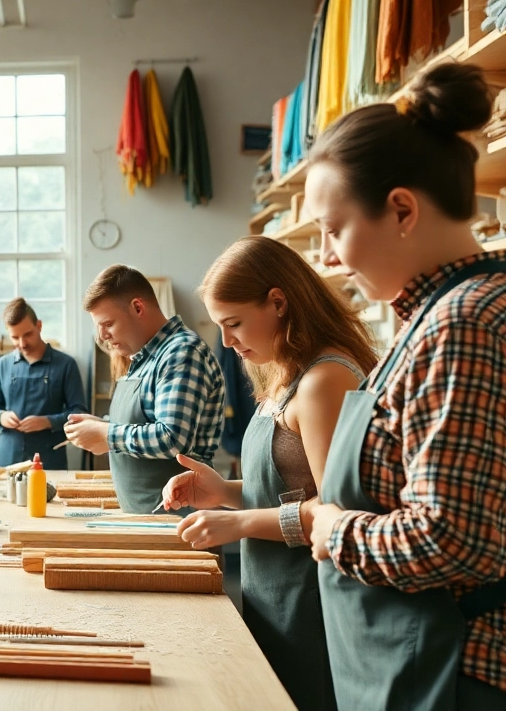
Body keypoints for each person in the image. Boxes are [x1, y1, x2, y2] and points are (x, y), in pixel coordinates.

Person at [303, 63, 506, 709]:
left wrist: (334, 529)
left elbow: (454, 541)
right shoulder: (438, 316)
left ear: (401, 210)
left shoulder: (462, 325)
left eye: (333, 230)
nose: (326, 258)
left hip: (452, 675)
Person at [160, 236, 377, 710]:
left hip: (312, 600)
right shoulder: (284, 372)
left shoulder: (324, 379)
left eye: (234, 323)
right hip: (272, 594)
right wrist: (223, 491)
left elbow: (336, 512)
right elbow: (291, 488)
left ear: (278, 302)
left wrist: (238, 523)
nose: (226, 342)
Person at [65, 265, 225, 514]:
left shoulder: (181, 352)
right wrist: (100, 426)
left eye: (108, 324)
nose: (103, 336)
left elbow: (172, 439)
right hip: (146, 516)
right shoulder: (143, 358)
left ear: (138, 308)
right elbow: (144, 422)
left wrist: (106, 433)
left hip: (179, 516)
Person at [0, 298, 88, 468]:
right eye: (15, 337)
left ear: (39, 325)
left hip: (49, 458)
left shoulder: (66, 364)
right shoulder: (3, 365)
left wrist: (48, 421)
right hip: (8, 456)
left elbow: (80, 412)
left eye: (27, 334)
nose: (22, 343)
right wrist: (1, 417)